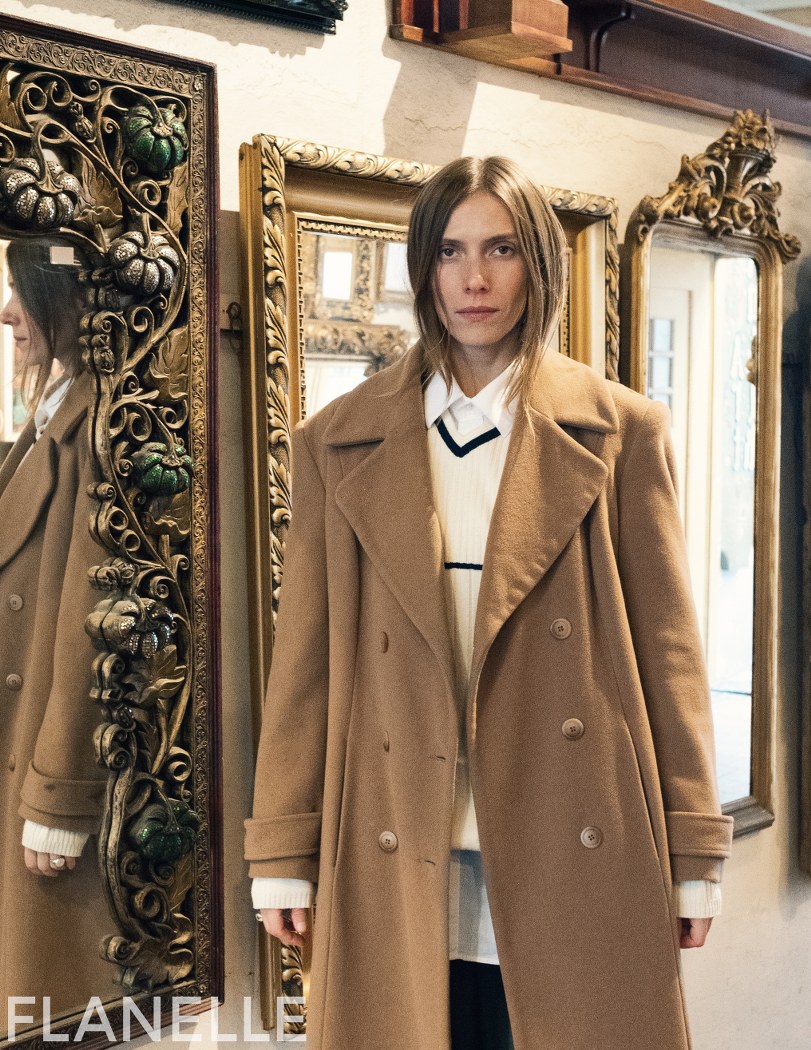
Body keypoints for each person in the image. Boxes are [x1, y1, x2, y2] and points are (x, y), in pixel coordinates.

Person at [245, 156, 733, 1050]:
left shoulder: (621, 432)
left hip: (572, 834)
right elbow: (302, 663)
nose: (473, 279)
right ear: (423, 269)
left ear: (536, 264)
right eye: (450, 251)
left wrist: (694, 848)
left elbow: (669, 655)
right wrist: (281, 847)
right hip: (401, 833)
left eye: (500, 249)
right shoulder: (337, 439)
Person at [0, 237, 114, 1024]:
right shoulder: (52, 415)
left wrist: (59, 796)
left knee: (56, 1007)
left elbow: (91, 621)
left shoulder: (98, 424)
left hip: (43, 769)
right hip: (19, 749)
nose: (9, 312)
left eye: (23, 289)